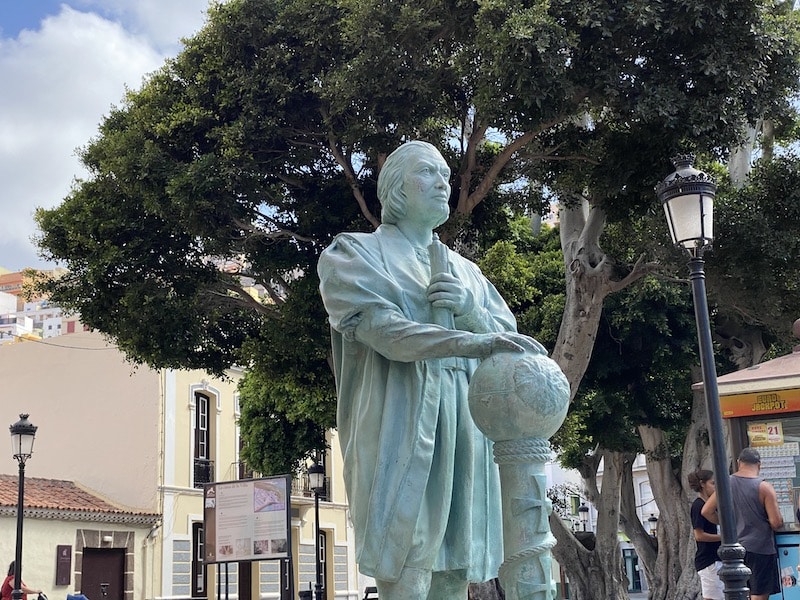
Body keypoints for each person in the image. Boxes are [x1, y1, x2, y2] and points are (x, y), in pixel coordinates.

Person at [317, 140, 546, 600]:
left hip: (465, 424)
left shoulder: (467, 272)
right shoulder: (353, 255)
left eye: (446, 174)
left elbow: (511, 340)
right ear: (396, 188)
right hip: (398, 424)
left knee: (456, 567)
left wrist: (471, 312)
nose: (444, 182)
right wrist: (473, 340)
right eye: (428, 173)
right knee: (408, 561)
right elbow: (387, 332)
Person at [702, 447, 784, 600]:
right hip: (761, 548)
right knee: (759, 593)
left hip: (735, 549)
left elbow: (706, 511)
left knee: (737, 591)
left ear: (739, 463)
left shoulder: (725, 483)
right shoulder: (764, 487)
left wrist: (728, 525)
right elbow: (775, 522)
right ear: (759, 464)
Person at [688, 469, 723, 600]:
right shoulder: (698, 506)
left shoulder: (712, 505)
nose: (715, 487)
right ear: (703, 484)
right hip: (709, 559)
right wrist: (722, 538)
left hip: (717, 558)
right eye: (712, 483)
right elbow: (699, 535)